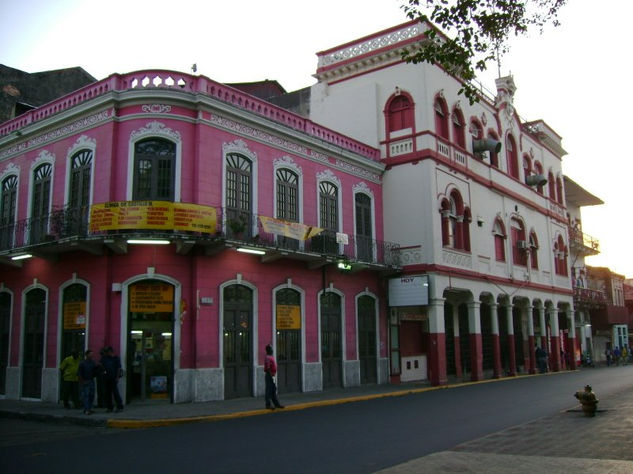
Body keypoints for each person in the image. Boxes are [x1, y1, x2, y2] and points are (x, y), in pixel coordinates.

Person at [100, 346, 124, 412]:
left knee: (115, 392)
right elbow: (101, 365)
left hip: (113, 377)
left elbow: (118, 368)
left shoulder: (116, 358)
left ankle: (119, 406)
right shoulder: (104, 358)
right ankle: (109, 407)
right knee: (107, 393)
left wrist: (117, 377)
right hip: (106, 377)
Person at [77, 349, 99, 415]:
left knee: (91, 395)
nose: (91, 355)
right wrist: (82, 381)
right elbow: (79, 373)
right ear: (86, 355)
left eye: (92, 354)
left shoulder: (93, 362)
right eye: (90, 354)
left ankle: (89, 408)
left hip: (91, 380)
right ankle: (86, 409)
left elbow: (95, 370)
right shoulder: (82, 363)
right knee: (86, 395)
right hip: (85, 380)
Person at [264, 344, 284, 410]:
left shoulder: (270, 357)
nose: (272, 350)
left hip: (272, 375)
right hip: (270, 375)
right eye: (271, 349)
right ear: (268, 350)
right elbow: (268, 368)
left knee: (273, 389)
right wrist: (271, 375)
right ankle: (268, 404)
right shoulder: (267, 358)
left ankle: (276, 404)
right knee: (269, 390)